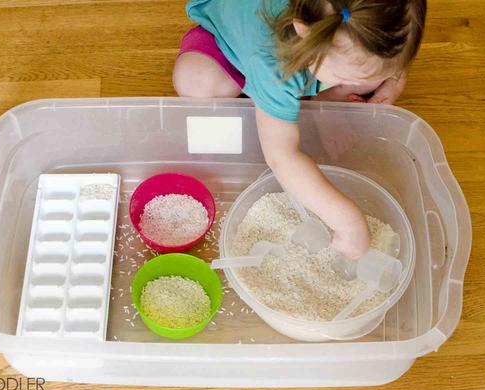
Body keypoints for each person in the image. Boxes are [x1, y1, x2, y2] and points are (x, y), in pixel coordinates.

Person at [173, 0, 426, 259]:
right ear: (304, 30)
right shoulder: (273, 61)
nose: (358, 83)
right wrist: (349, 223)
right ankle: (306, 96)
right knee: (199, 83)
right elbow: (282, 157)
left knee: (365, 69)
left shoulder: (368, 19)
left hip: (316, 50)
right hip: (230, 44)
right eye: (343, 78)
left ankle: (324, 101)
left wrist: (393, 78)